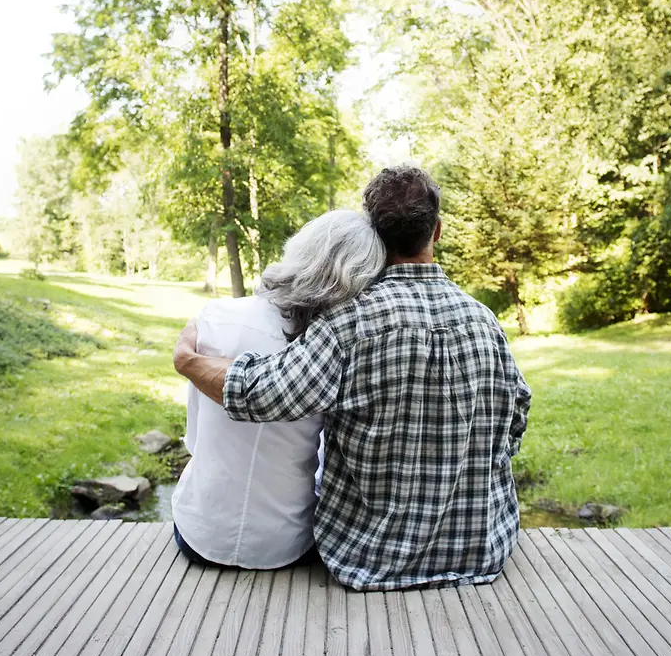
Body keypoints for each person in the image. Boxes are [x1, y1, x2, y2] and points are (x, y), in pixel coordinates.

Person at [173, 165, 532, 591]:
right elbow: (515, 419)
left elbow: (262, 395)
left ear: (375, 238)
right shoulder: (484, 321)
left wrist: (188, 361)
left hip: (369, 557)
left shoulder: (348, 323)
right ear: (436, 232)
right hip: (481, 552)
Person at [170, 209, 386, 570]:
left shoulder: (215, 318)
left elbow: (195, 439)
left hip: (201, 533)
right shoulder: (339, 350)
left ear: (300, 250)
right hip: (287, 544)